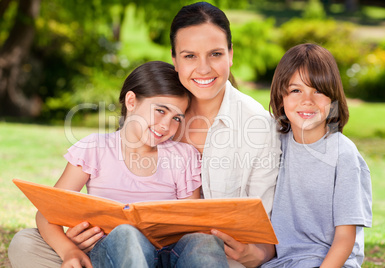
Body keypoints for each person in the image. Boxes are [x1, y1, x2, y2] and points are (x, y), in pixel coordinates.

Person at [9, 2, 281, 267]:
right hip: (111, 248)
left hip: (199, 253)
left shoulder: (256, 126)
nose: (204, 68)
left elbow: (261, 233)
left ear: (231, 54)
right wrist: (71, 245)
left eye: (216, 54)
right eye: (190, 56)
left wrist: (257, 253)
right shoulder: (154, 104)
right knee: (26, 244)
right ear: (175, 59)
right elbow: (52, 210)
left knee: (207, 248)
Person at [9, 61, 229, 268]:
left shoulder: (183, 156)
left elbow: (191, 225)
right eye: (160, 111)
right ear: (131, 102)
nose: (166, 126)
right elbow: (47, 213)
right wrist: (68, 251)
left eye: (177, 118)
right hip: (110, 253)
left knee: (206, 243)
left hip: (168, 255)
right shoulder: (95, 148)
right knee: (26, 242)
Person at [263, 43, 372, 267]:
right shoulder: (275, 142)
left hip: (329, 262)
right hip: (281, 262)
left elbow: (345, 239)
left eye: (318, 90)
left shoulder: (343, 153)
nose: (307, 100)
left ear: (332, 98)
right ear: (280, 98)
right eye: (296, 90)